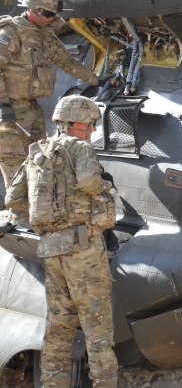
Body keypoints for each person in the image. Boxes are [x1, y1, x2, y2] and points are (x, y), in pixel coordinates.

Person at [6, 95, 118, 388]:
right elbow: (91, 184)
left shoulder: (37, 151)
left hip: (51, 249)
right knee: (98, 330)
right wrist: (107, 183)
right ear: (77, 122)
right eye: (91, 123)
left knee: (58, 329)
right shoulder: (80, 148)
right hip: (83, 250)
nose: (93, 130)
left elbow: (13, 198)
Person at [0, 0, 99, 196]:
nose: (51, 19)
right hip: (10, 113)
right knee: (14, 166)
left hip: (31, 110)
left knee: (38, 162)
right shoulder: (11, 32)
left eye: (54, 15)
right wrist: (3, 105)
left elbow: (66, 61)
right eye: (47, 14)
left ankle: (34, 215)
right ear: (33, 8)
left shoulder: (44, 36)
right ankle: (17, 216)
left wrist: (95, 80)